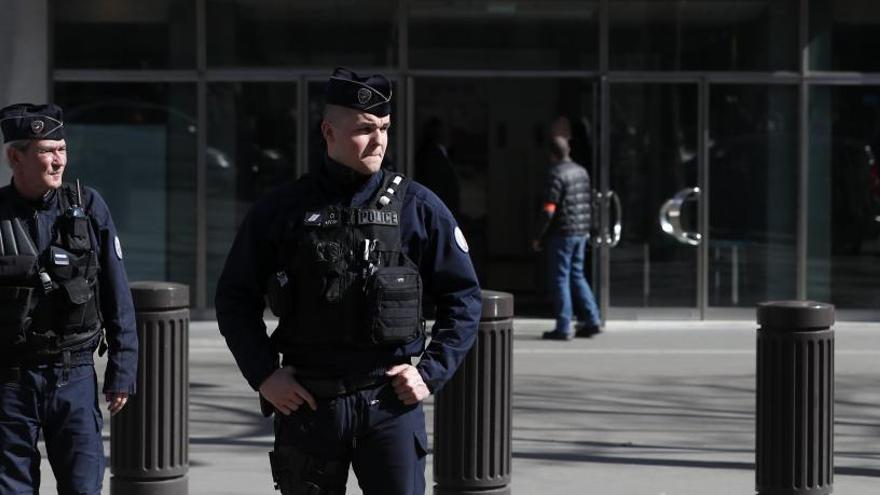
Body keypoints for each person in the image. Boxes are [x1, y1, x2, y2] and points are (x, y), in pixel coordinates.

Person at [215, 68, 482, 495]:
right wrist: (265, 374)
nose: (378, 140)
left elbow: (464, 297)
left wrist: (429, 374)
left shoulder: (417, 208)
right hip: (309, 404)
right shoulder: (283, 210)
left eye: (384, 128)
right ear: (328, 132)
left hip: (389, 403)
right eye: (364, 129)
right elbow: (234, 299)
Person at [0, 103, 138, 494]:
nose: (58, 160)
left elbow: (116, 290)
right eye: (47, 150)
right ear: (16, 157)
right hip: (10, 380)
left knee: (83, 485)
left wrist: (122, 369)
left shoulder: (88, 207)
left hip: (73, 374)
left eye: (62, 149)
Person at [532, 135, 601, 340]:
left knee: (560, 278)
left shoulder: (555, 174)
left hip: (562, 233)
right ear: (568, 149)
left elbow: (549, 209)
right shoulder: (581, 172)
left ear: (551, 154)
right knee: (577, 275)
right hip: (580, 232)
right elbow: (589, 203)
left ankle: (563, 326)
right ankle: (592, 319)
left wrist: (538, 235)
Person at [415, 117, 461, 217]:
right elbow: (435, 185)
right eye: (442, 132)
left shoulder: (441, 152)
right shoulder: (430, 154)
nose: (447, 135)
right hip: (439, 210)